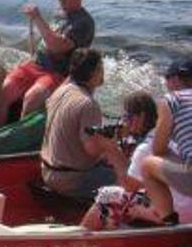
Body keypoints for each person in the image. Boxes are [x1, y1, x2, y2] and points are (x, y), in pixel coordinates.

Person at [0, 0, 95, 127]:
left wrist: (38, 18)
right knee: (6, 89)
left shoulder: (84, 23)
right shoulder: (60, 14)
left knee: (32, 97)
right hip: (36, 65)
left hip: (58, 72)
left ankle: (19, 138)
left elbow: (57, 46)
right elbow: (46, 39)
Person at [81, 90, 192, 229]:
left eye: (127, 117)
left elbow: (129, 186)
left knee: (106, 195)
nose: (124, 122)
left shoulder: (144, 148)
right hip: (185, 204)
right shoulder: (167, 136)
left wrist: (111, 149)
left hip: (177, 212)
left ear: (141, 117)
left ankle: (81, 238)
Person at [40, 48, 135, 200]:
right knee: (131, 180)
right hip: (71, 180)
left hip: (47, 170)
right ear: (95, 71)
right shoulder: (88, 104)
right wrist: (114, 141)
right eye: (101, 67)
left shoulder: (61, 91)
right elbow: (92, 150)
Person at [139, 57, 192, 225]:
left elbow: (158, 149)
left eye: (166, 80)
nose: (166, 85)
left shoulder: (171, 100)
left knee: (147, 165)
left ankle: (170, 222)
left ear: (175, 79)